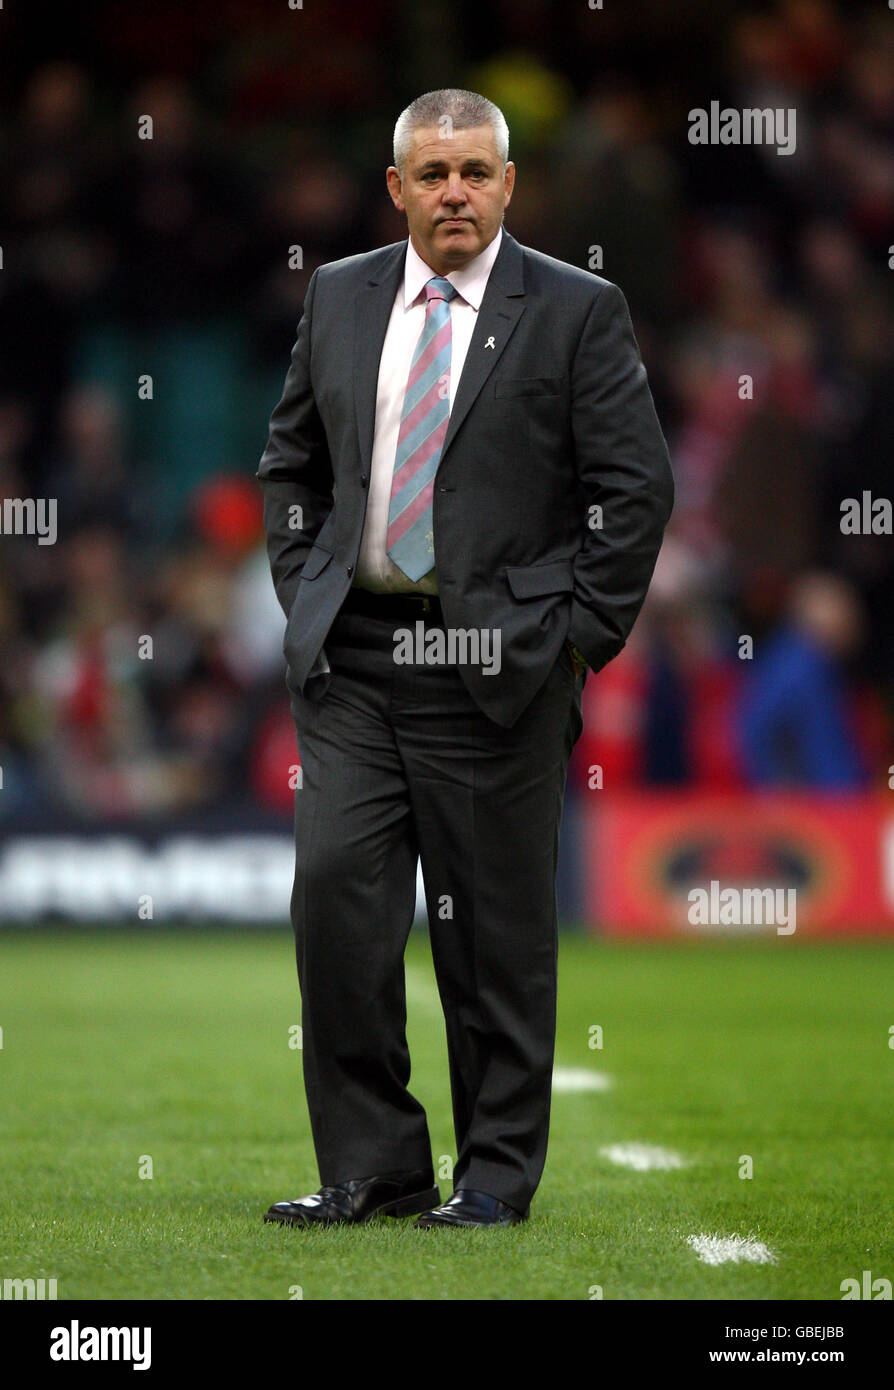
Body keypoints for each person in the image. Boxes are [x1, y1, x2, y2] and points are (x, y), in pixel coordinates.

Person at [257, 89, 673, 1229]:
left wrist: (574, 636)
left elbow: (634, 490)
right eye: (433, 174)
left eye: (475, 172)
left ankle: (491, 1176)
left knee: (489, 938)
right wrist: (304, 593)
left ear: (508, 184)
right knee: (337, 902)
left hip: (498, 666)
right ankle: (375, 1166)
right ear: (395, 189)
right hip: (355, 660)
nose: (455, 193)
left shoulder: (579, 308)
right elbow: (291, 466)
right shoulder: (339, 294)